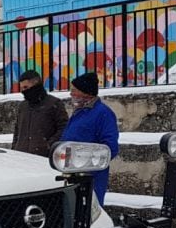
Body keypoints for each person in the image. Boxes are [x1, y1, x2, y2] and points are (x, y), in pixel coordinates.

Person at [60, 71, 119, 204]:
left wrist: (85, 163)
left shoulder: (103, 114)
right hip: (70, 173)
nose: (71, 94)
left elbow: (110, 148)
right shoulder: (79, 112)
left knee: (89, 212)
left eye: (74, 90)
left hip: (89, 177)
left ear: (86, 92)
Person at [11, 70, 68, 157]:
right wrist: (15, 148)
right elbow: (17, 130)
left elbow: (63, 128)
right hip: (21, 156)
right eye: (22, 88)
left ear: (36, 84)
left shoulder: (54, 103)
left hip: (43, 157)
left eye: (26, 87)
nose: (23, 91)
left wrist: (48, 146)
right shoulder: (23, 106)